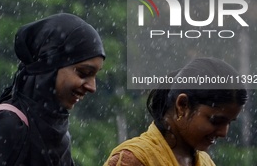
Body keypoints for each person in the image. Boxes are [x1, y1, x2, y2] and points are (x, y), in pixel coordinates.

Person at [0, 13, 105, 166]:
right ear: (50, 67)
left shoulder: (57, 134)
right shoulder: (11, 124)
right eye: (83, 73)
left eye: (95, 76)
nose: (92, 87)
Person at [103, 57, 248, 166]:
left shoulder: (206, 162)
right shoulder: (133, 159)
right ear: (182, 105)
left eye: (229, 123)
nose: (224, 133)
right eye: (216, 121)